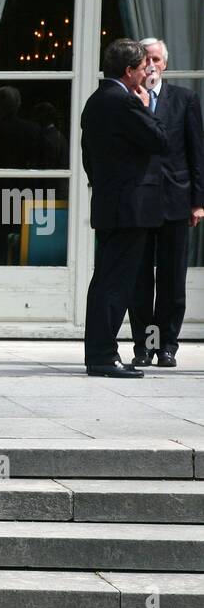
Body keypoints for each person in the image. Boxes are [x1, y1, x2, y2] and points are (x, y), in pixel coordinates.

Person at [80, 38, 168, 379]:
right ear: (129, 71)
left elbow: (89, 157)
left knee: (104, 280)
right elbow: (159, 139)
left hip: (109, 203)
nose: (146, 73)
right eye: (141, 68)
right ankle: (103, 356)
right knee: (116, 283)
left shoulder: (95, 101)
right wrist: (146, 105)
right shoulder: (124, 102)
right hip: (130, 208)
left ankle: (98, 353)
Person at [130, 37, 204, 369]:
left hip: (176, 199)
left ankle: (168, 346)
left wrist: (198, 201)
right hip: (139, 202)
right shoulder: (127, 99)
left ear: (165, 64)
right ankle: (146, 345)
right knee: (140, 278)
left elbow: (196, 152)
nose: (151, 65)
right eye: (145, 59)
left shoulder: (185, 99)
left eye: (156, 59)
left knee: (173, 279)